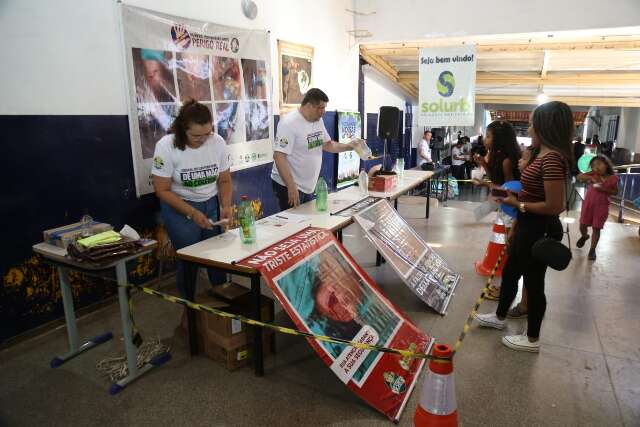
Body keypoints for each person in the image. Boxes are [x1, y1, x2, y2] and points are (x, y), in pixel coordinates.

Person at [474, 101, 574, 353]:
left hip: (539, 228)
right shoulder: (541, 154)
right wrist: (518, 220)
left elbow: (555, 205)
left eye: (531, 123)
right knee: (510, 273)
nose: (528, 128)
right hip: (526, 224)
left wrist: (519, 207)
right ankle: (499, 317)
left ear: (545, 126)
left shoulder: (551, 159)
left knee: (534, 282)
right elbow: (529, 194)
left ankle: (532, 339)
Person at [152, 100, 232, 298]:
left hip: (211, 203)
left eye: (207, 133)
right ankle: (189, 309)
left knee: (217, 257)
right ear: (182, 129)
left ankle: (221, 304)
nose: (203, 139)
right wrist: (192, 212)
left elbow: (224, 180)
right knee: (189, 260)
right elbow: (162, 190)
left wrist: (225, 205)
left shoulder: (217, 142)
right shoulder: (166, 146)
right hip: (180, 207)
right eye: (196, 135)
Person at [271, 88, 357, 211]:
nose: (323, 112)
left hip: (307, 186)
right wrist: (291, 186)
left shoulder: (318, 121)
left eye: (324, 108)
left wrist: (350, 146)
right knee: (295, 226)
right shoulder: (289, 124)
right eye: (320, 108)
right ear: (309, 105)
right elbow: (279, 156)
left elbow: (328, 145)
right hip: (287, 185)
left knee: (307, 223)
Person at [472, 120, 522, 300]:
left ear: (499, 139)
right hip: (505, 206)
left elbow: (507, 188)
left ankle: (506, 291)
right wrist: (484, 164)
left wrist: (484, 183)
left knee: (509, 248)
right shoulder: (497, 156)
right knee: (508, 247)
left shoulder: (507, 160)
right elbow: (496, 178)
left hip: (511, 209)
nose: (485, 140)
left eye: (488, 136)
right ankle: (504, 287)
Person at [576, 155, 619, 260]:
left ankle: (592, 250)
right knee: (583, 225)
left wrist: (603, 189)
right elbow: (579, 177)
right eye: (594, 166)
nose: (597, 167)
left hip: (602, 207)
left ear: (606, 165)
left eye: (599, 164)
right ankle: (584, 236)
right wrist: (591, 177)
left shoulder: (613, 178)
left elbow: (616, 191)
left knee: (596, 228)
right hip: (588, 205)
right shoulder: (593, 174)